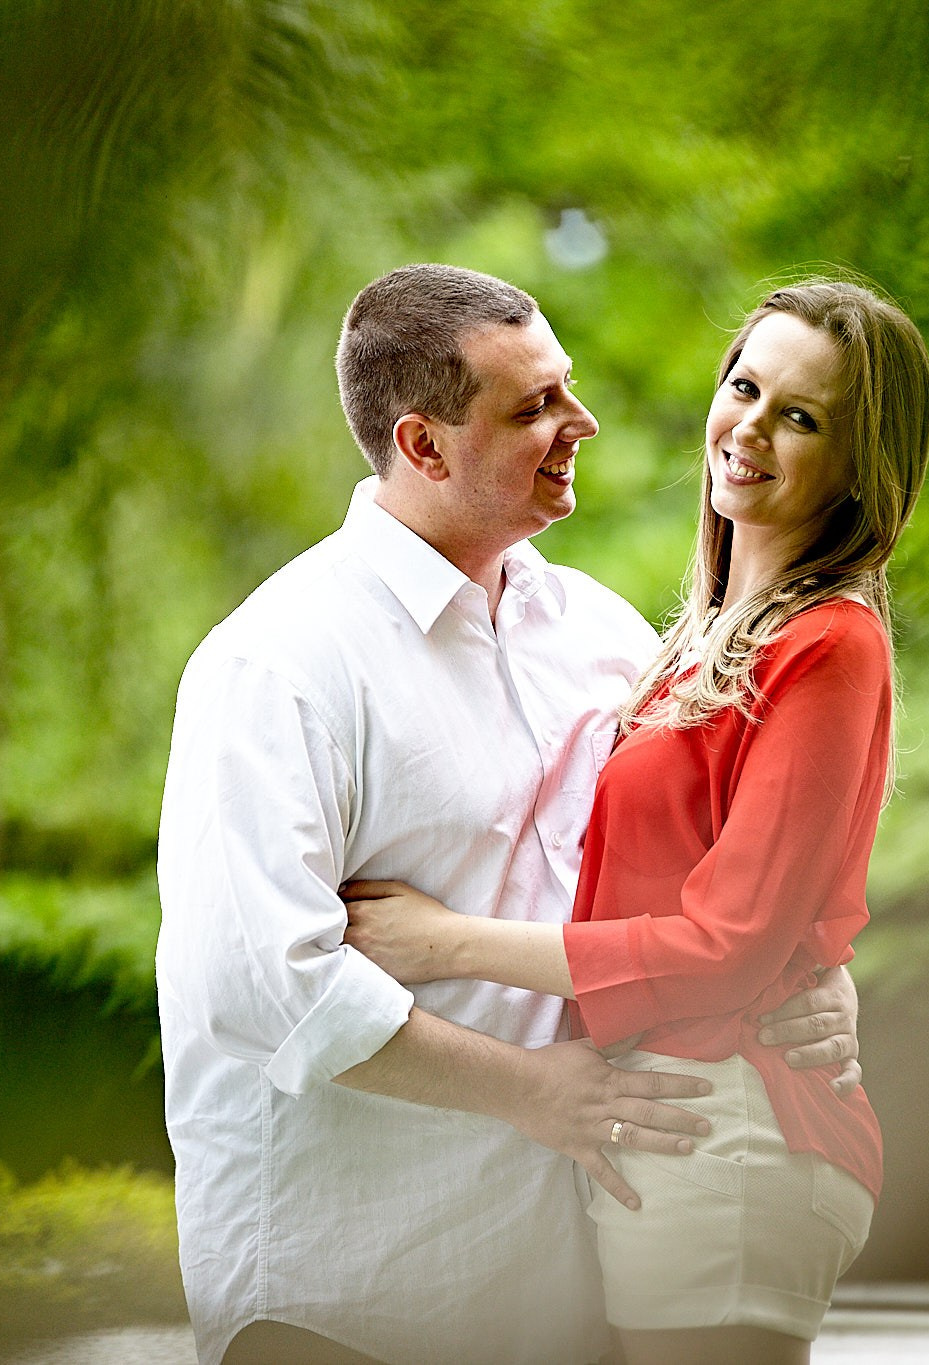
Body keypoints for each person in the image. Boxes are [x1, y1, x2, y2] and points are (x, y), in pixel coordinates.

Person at [155, 264, 865, 1365]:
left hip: (562, 1288)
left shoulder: (606, 636)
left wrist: (816, 977)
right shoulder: (278, 662)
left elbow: (717, 877)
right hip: (346, 1295)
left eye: (565, 388)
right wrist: (533, 1091)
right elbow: (263, 985)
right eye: (531, 407)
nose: (578, 422)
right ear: (422, 445)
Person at [340, 278, 929, 1365]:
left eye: (800, 417)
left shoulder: (828, 644)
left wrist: (441, 944)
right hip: (671, 1120)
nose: (749, 429)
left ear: (859, 462)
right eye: (744, 387)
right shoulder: (698, 639)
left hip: (726, 1129)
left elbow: (727, 941)